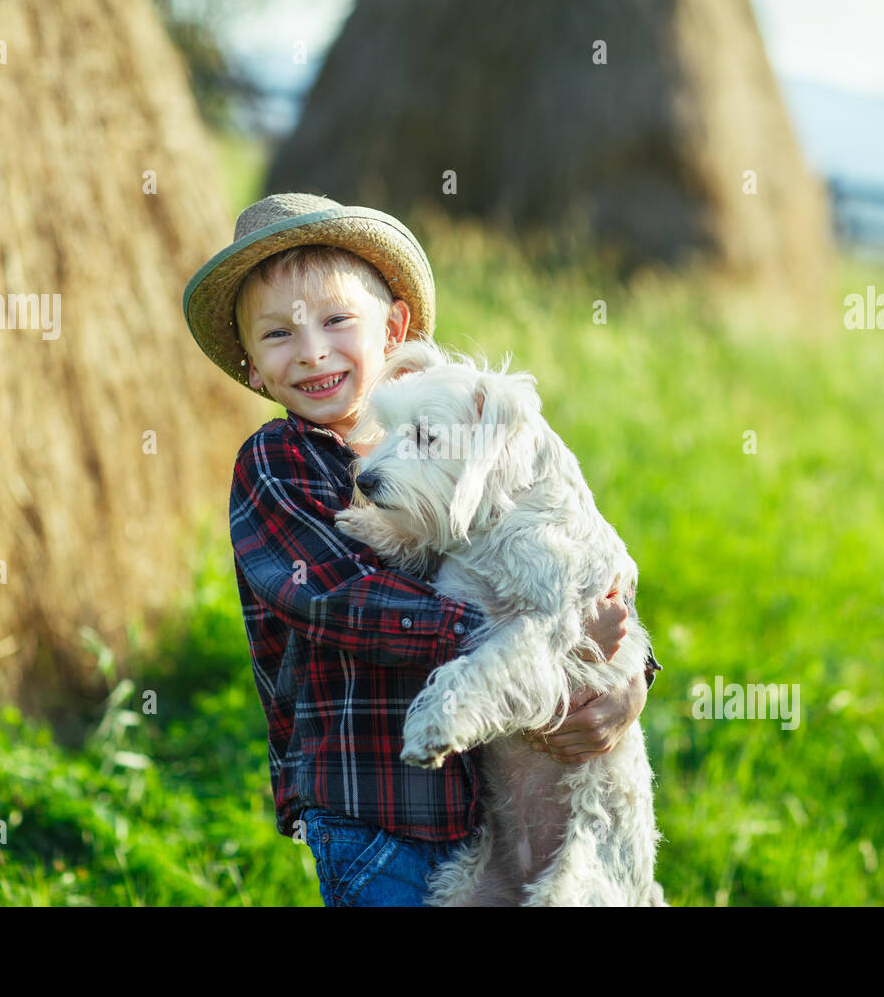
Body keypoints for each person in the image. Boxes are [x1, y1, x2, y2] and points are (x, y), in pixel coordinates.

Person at [182, 192, 661, 906]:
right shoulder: (277, 463)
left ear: (393, 330)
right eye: (278, 335)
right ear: (252, 367)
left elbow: (565, 569)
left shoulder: (446, 451)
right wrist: (530, 643)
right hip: (374, 819)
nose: (312, 350)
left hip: (476, 821)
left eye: (337, 320)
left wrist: (628, 679)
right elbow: (341, 599)